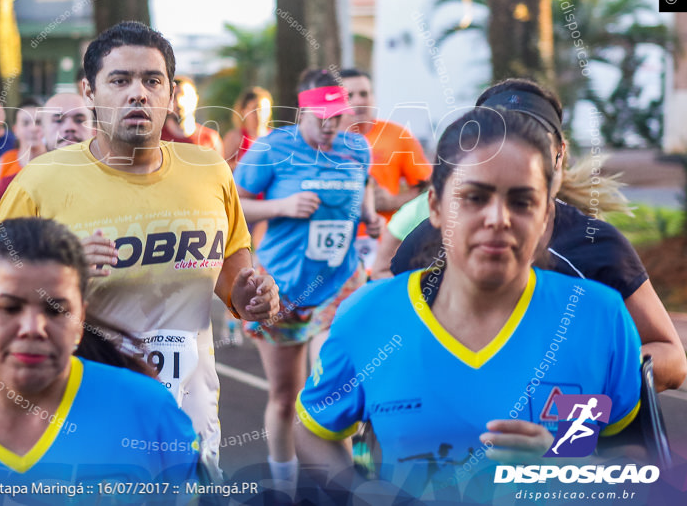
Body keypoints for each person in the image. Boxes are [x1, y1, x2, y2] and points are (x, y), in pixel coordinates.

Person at [295, 107, 642, 501]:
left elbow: (635, 464)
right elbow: (312, 432)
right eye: (474, 197)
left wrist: (566, 470)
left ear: (547, 214)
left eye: (522, 201)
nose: (497, 218)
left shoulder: (600, 317)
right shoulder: (367, 316)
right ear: (435, 207)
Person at [0, 21, 279, 470]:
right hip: (79, 416)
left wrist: (247, 293)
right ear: (89, 91)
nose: (138, 94)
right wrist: (59, 273)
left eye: (152, 80)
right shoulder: (42, 181)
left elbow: (231, 258)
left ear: (169, 93)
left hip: (190, 416)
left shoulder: (208, 170)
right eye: (120, 80)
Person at [0, 218, 200, 501]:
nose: (32, 328)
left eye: (56, 310)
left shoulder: (149, 411)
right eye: (9, 308)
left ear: (80, 316)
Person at [391, 78, 687, 392]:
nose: (515, 153)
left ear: (559, 155)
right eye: (501, 137)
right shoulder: (426, 244)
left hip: (575, 437)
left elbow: (671, 358)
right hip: (451, 434)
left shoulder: (596, 245)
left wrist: (589, 376)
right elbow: (387, 349)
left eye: (533, 140)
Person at [233, 68, 382, 496]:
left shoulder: (357, 147)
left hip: (340, 281)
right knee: (284, 395)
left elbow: (364, 184)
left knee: (329, 376)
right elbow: (234, 207)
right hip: (280, 287)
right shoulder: (273, 149)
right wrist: (283, 205)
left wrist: (368, 214)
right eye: (323, 117)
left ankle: (335, 481)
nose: (332, 125)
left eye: (338, 115)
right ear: (303, 111)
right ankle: (285, 485)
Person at [339, 69, 431, 272]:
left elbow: (429, 189)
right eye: (349, 95)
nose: (359, 101)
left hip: (387, 246)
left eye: (364, 94)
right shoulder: (324, 141)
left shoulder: (397, 135)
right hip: (334, 249)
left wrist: (392, 201)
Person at [0, 99, 45, 200]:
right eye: (26, 123)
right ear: (15, 130)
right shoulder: (0, 166)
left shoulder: (56, 163)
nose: (33, 128)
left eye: (38, 122)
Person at [161, 76, 222, 151]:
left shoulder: (210, 139)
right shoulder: (155, 139)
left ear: (196, 98)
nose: (179, 102)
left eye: (184, 95)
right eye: (174, 96)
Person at [222, 86, 272, 169]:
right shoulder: (235, 137)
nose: (259, 115)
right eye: (254, 110)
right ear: (243, 111)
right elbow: (221, 167)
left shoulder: (274, 137)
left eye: (264, 109)